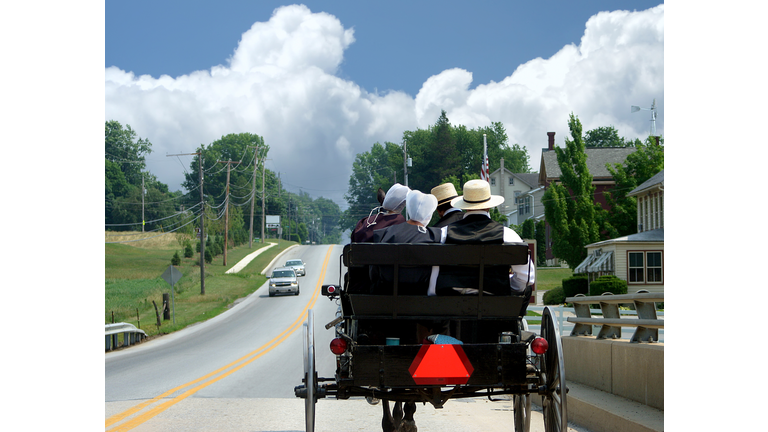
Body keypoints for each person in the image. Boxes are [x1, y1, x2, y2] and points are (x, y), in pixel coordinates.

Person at [427, 179, 535, 297]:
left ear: (465, 206)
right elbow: (527, 278)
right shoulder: (507, 235)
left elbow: (435, 274)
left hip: (452, 302)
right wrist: (508, 287)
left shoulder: (444, 234)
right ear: (489, 207)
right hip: (496, 302)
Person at [370, 190, 441, 295]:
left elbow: (373, 275)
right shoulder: (435, 237)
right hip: (420, 297)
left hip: (385, 295)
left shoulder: (384, 233)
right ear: (429, 214)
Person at [348, 183, 409, 294]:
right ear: (404, 204)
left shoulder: (363, 223)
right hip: (392, 289)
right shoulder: (404, 227)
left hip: (360, 288)